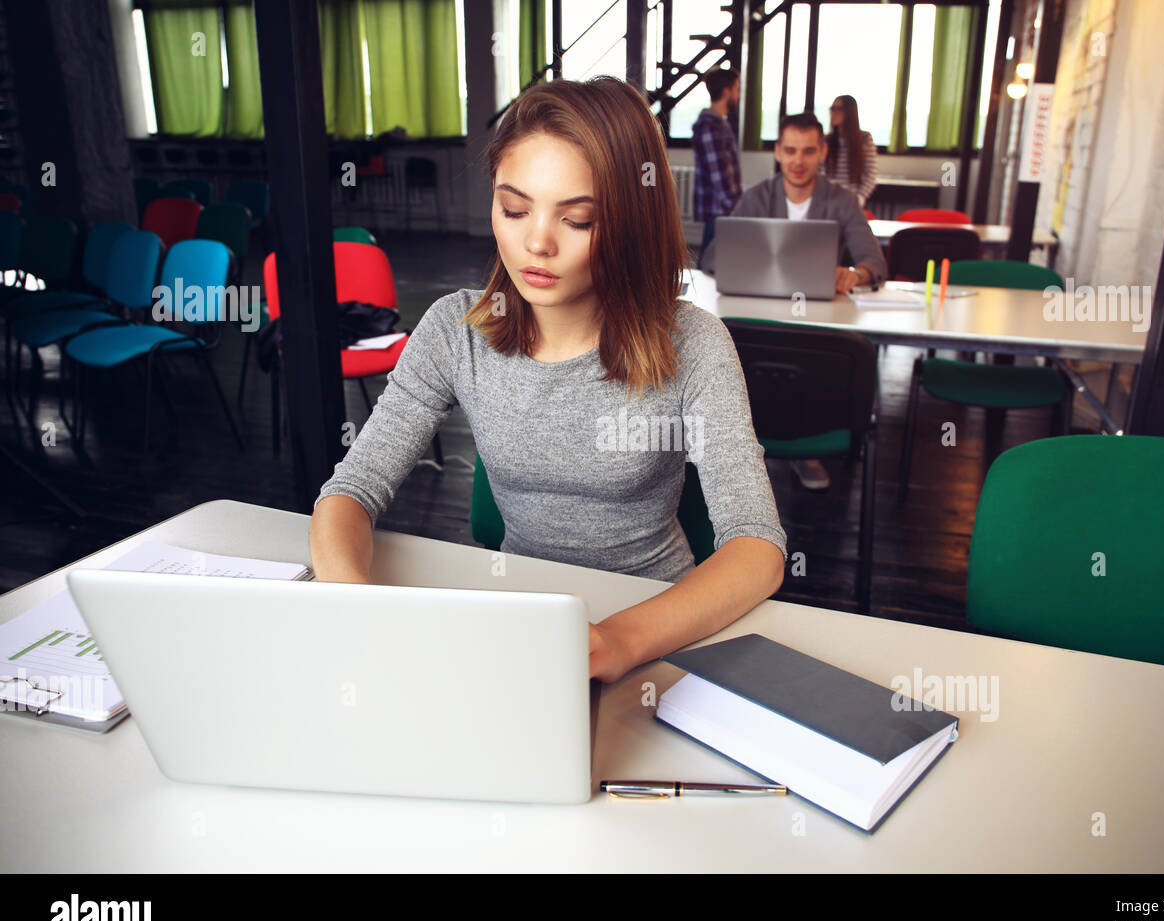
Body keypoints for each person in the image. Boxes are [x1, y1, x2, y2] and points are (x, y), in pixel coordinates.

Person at [309, 76, 787, 684]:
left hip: (656, 629)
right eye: (513, 209)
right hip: (519, 624)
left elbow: (759, 549)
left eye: (578, 219)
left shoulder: (693, 343)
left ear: (630, 222)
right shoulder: (455, 331)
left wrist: (616, 642)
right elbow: (351, 490)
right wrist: (356, 609)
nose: (536, 241)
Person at [699, 112, 887, 491]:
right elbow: (711, 259)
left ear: (822, 153)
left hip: (816, 320)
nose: (798, 161)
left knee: (810, 362)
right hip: (760, 316)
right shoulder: (756, 197)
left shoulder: (842, 200)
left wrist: (855, 274)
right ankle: (754, 445)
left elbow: (874, 262)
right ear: (778, 153)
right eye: (790, 151)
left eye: (807, 151)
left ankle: (802, 447)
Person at [692, 67, 743, 266]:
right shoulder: (709, 127)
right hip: (720, 210)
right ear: (726, 92)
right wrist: (737, 209)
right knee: (708, 264)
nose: (738, 95)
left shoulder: (719, 124)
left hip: (723, 210)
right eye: (736, 89)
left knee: (718, 262)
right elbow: (719, 178)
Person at [824, 95, 877, 208]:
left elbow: (871, 174)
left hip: (853, 200)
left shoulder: (864, 138)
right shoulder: (827, 140)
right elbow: (819, 171)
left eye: (839, 109)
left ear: (850, 112)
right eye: (832, 108)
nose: (834, 113)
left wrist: (860, 198)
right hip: (828, 200)